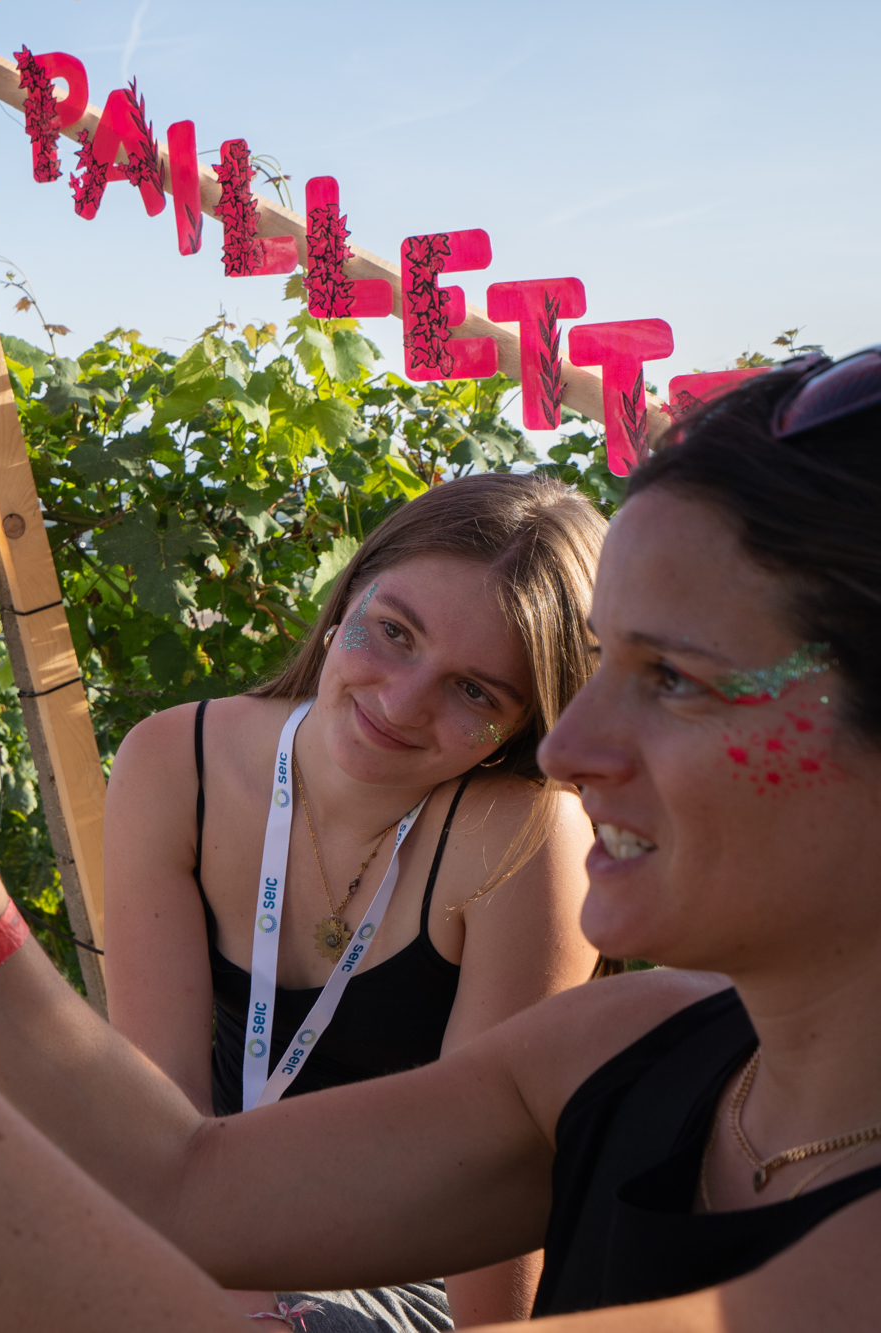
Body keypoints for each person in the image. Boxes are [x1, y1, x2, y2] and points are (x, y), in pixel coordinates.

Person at [0, 355, 881, 1330]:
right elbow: (183, 1184)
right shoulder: (632, 1046)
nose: (569, 748)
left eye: (676, 679)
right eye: (598, 667)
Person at [104, 473, 604, 1326]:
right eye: (394, 631)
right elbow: (159, 1119)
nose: (401, 703)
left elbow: (489, 1192)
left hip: (410, 1267)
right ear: (345, 602)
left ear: (526, 725)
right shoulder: (173, 762)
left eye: (475, 690)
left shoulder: (528, 839)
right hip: (200, 1227)